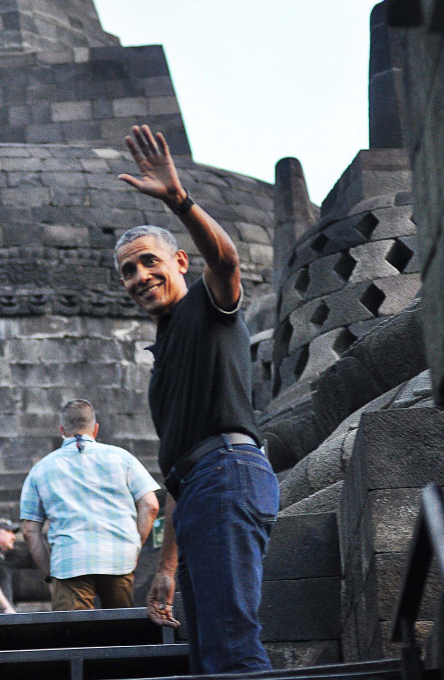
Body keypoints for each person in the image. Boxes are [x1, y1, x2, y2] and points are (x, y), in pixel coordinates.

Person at [113, 125, 280, 674]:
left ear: (180, 262)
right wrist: (166, 562)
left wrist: (178, 199)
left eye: (148, 262)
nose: (140, 277)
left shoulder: (208, 308)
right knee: (208, 655)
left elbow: (227, 261)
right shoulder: (165, 354)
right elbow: (182, 468)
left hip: (231, 473)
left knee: (233, 646)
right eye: (128, 271)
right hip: (204, 487)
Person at [19, 400, 160, 610]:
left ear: (61, 430)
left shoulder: (41, 469)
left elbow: (30, 530)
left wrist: (51, 572)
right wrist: (134, 546)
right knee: (125, 635)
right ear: (95, 429)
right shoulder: (122, 458)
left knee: (76, 638)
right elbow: (150, 506)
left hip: (69, 563)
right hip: (119, 559)